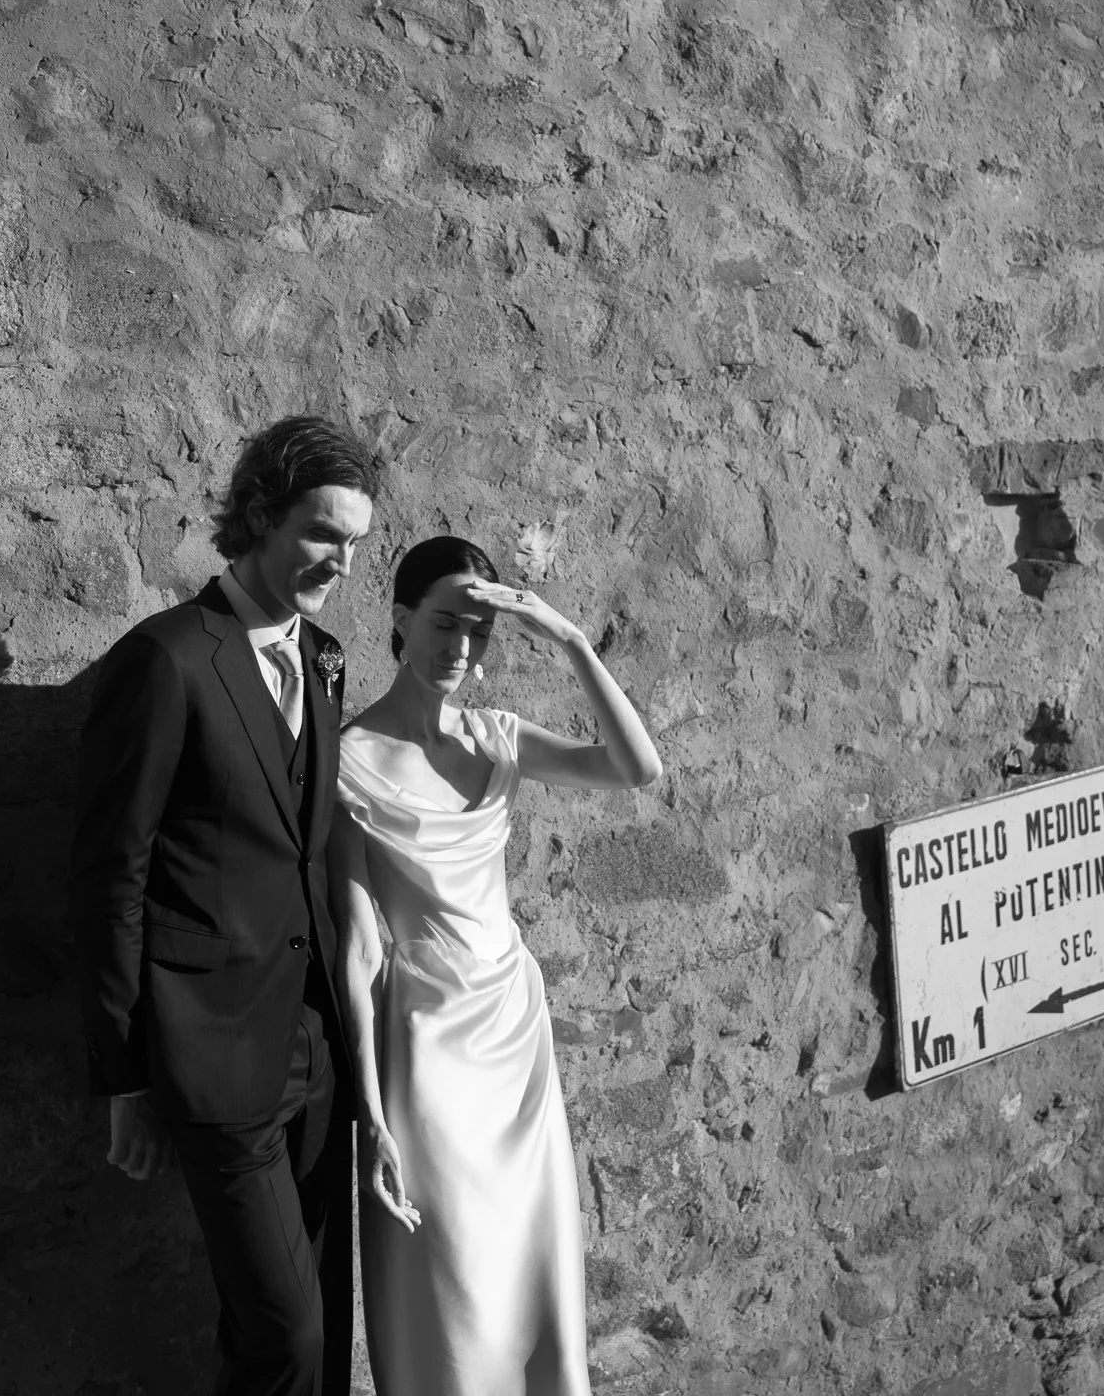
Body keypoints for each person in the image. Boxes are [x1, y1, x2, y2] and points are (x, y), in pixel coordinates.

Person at [71, 415, 380, 1396]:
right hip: (212, 1060)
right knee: (287, 1334)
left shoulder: (325, 661)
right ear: (258, 515)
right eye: (322, 534)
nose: (340, 561)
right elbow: (109, 876)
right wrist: (122, 1077)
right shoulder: (166, 660)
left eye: (356, 544)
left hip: (319, 1047)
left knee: (320, 1329)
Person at [330, 536, 663, 1396]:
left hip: (516, 1034)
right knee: (456, 1297)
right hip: (427, 1049)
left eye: (479, 631)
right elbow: (360, 945)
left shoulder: (500, 738)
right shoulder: (345, 759)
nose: (460, 648)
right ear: (400, 622)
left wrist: (571, 641)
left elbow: (638, 768)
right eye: (444, 623)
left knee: (533, 1282)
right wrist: (368, 1107)